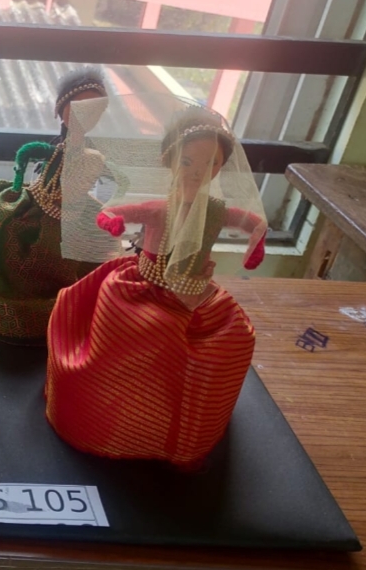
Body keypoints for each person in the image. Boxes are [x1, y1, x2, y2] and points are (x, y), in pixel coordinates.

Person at [47, 96, 268, 470]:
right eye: (187, 161)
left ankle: (168, 421)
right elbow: (113, 211)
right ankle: (119, 417)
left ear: (221, 166)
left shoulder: (216, 211)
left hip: (195, 296)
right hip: (141, 290)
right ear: (170, 160)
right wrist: (111, 222)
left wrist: (256, 240)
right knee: (127, 334)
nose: (197, 172)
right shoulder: (160, 208)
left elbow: (251, 221)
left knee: (230, 340)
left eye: (210, 163)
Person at [0, 66, 117, 344]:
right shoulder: (57, 150)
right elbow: (27, 155)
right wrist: (17, 182)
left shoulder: (93, 157)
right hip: (36, 205)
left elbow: (88, 188)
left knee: (62, 261)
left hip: (71, 219)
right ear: (61, 110)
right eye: (78, 107)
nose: (86, 114)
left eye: (95, 108)